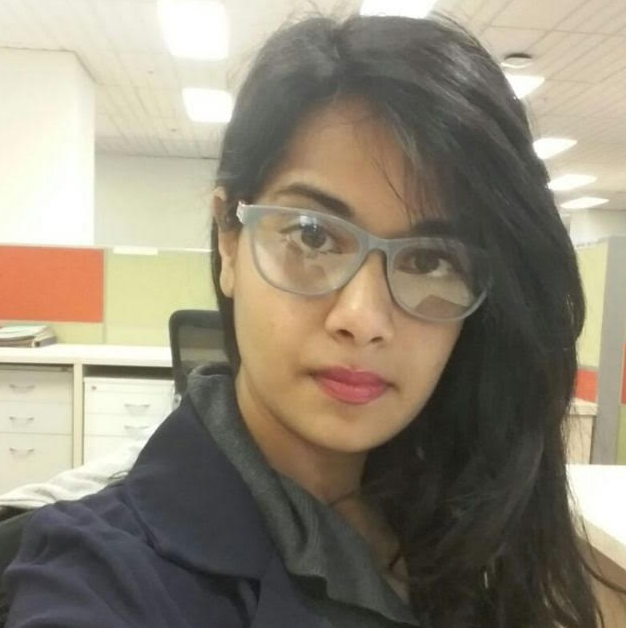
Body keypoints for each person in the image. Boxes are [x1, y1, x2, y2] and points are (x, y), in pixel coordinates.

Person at [3, 11, 624, 628]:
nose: (363, 318)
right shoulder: (107, 580)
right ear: (228, 241)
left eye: (430, 259)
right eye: (312, 234)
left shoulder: (463, 504)